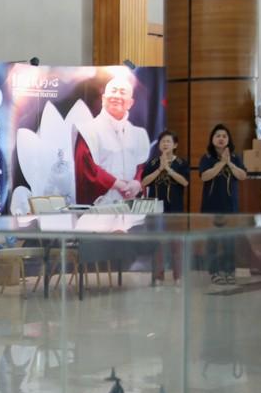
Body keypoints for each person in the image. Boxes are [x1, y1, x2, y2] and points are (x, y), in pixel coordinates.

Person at [74, 75, 150, 205]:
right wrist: (118, 185)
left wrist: (138, 184)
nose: (117, 96)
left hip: (131, 203)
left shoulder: (139, 134)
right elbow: (86, 169)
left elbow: (142, 167)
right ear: (103, 99)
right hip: (101, 204)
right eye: (113, 91)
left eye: (122, 92)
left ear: (130, 103)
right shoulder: (87, 130)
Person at [198, 124, 247, 285]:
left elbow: (242, 176)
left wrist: (229, 163)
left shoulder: (236, 157)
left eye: (224, 136)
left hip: (230, 206)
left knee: (229, 241)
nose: (221, 138)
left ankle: (229, 271)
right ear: (212, 139)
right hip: (211, 206)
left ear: (228, 140)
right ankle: (213, 272)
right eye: (217, 136)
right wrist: (221, 163)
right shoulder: (207, 158)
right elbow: (204, 176)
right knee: (212, 241)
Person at [140, 129, 189, 283]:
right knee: (158, 244)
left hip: (175, 209)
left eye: (168, 141)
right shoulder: (153, 163)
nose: (165, 144)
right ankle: (158, 276)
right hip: (157, 210)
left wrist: (168, 169)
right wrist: (160, 169)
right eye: (163, 141)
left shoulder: (181, 163)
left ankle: (178, 276)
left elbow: (185, 182)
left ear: (175, 145)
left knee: (176, 244)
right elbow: (144, 182)